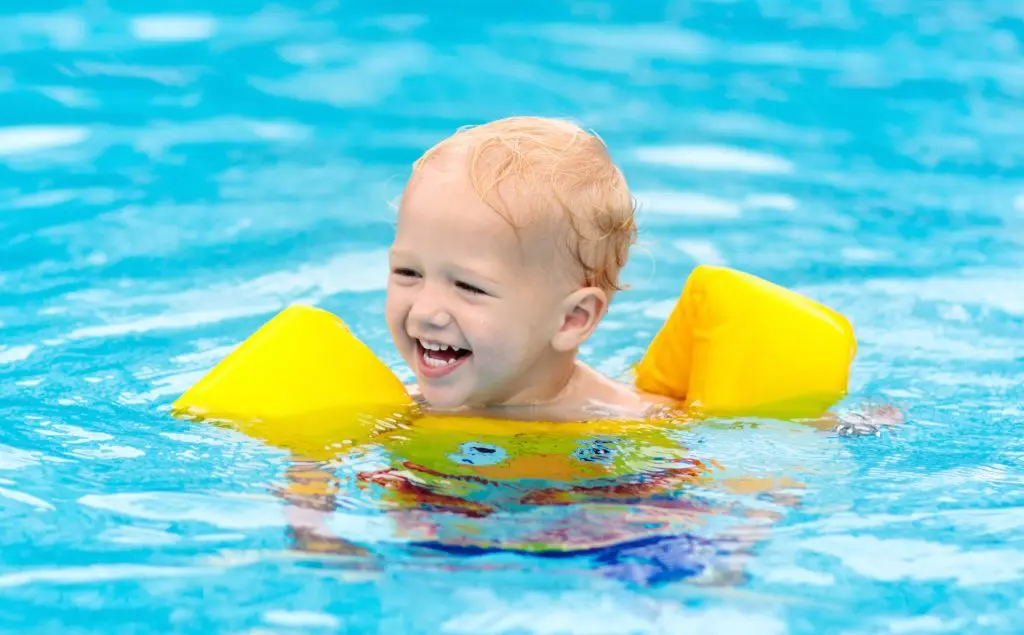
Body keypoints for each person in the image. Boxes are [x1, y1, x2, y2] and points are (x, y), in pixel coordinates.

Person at [385, 115, 674, 422]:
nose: (423, 313)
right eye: (408, 273)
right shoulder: (399, 412)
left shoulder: (634, 422)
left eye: (468, 286)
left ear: (571, 319)